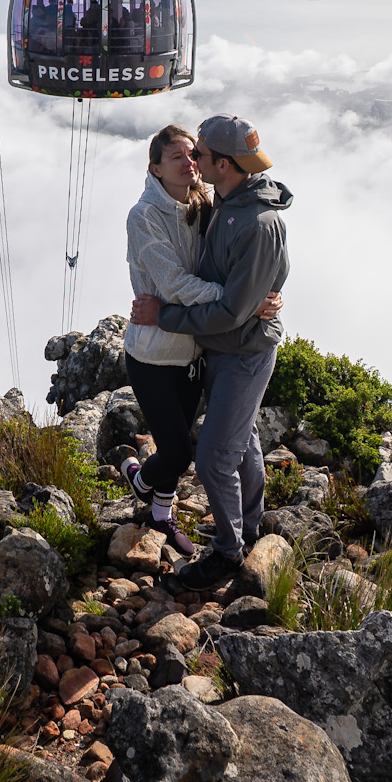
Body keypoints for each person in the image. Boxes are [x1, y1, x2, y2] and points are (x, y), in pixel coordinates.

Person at [131, 114, 291, 592]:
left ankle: (227, 552)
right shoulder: (219, 202)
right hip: (212, 351)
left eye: (197, 154)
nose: (192, 162)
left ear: (223, 163)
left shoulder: (251, 219)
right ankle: (245, 527)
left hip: (239, 350)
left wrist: (168, 315)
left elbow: (227, 308)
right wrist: (248, 297)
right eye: (182, 155)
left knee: (214, 459)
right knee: (241, 444)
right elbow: (220, 286)